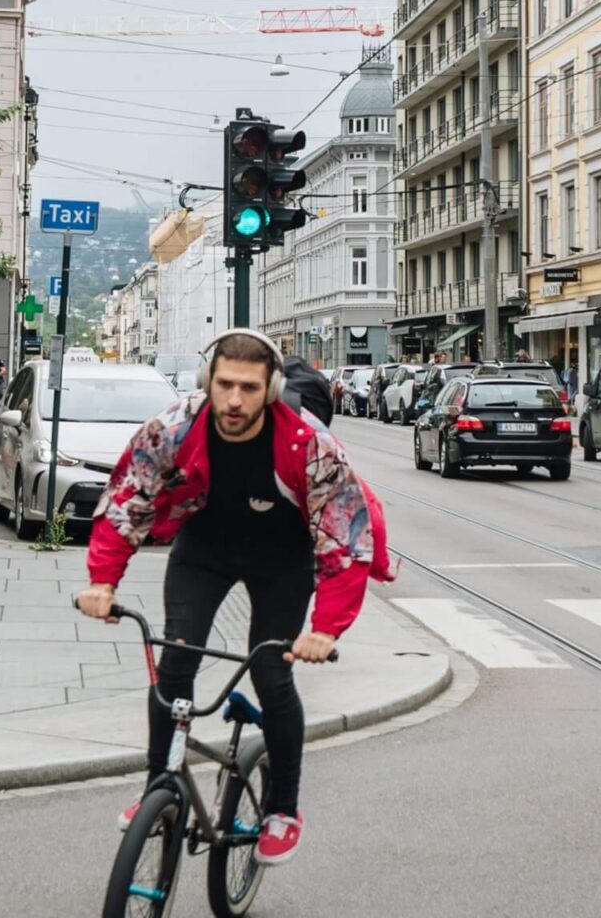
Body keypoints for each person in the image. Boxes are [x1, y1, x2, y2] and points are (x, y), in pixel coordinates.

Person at [76, 329, 393, 868]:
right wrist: (103, 581)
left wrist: (325, 629)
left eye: (248, 388)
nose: (234, 400)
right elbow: (128, 495)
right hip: (205, 550)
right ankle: (160, 786)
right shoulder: (176, 426)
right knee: (177, 660)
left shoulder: (307, 443)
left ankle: (283, 808)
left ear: (269, 390)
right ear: (209, 382)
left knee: (271, 672)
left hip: (283, 560)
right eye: (224, 385)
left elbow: (345, 540)